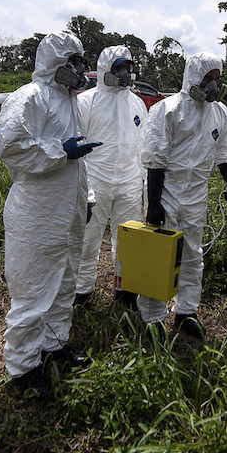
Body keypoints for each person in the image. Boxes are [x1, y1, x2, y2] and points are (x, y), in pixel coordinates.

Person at [0, 31, 102, 396]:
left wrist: (85, 197)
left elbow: (78, 158)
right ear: (55, 60)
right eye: (73, 60)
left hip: (66, 208)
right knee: (34, 286)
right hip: (37, 211)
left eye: (81, 60)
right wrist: (60, 151)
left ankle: (54, 345)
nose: (80, 68)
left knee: (64, 279)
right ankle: (22, 368)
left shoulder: (71, 100)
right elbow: (9, 146)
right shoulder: (30, 96)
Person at [139, 52, 227, 341]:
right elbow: (155, 158)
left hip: (197, 194)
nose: (214, 85)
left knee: (193, 255)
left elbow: (224, 152)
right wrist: (154, 203)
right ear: (194, 78)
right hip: (167, 191)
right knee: (159, 255)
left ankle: (186, 312)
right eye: (208, 79)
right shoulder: (167, 109)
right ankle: (153, 316)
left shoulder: (219, 113)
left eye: (217, 79)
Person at [75, 45, 148, 309]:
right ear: (107, 68)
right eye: (120, 67)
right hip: (96, 181)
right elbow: (76, 146)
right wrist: (83, 190)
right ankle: (81, 292)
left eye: (128, 67)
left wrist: (142, 183)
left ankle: (126, 290)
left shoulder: (136, 102)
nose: (125, 72)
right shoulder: (87, 101)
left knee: (129, 240)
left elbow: (145, 145)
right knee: (87, 240)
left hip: (129, 182)